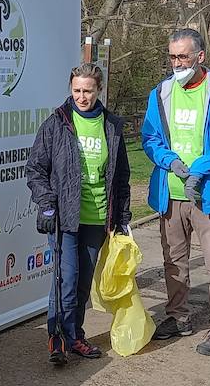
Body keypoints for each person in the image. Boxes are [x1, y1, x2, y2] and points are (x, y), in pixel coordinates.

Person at [140, 28, 210, 355]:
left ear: (200, 57)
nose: (176, 63)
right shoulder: (161, 92)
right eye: (172, 56)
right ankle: (178, 317)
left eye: (182, 56)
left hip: (207, 193)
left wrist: (198, 171)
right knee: (174, 260)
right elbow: (150, 137)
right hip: (170, 193)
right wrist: (170, 162)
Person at [27, 62, 132, 366]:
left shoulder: (112, 125)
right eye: (76, 90)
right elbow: (35, 169)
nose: (82, 97)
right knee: (66, 279)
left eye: (88, 90)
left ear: (99, 90)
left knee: (84, 282)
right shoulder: (57, 123)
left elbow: (121, 175)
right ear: (70, 90)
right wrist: (46, 202)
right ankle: (57, 339)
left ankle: (75, 336)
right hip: (64, 218)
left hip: (97, 217)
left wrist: (122, 217)